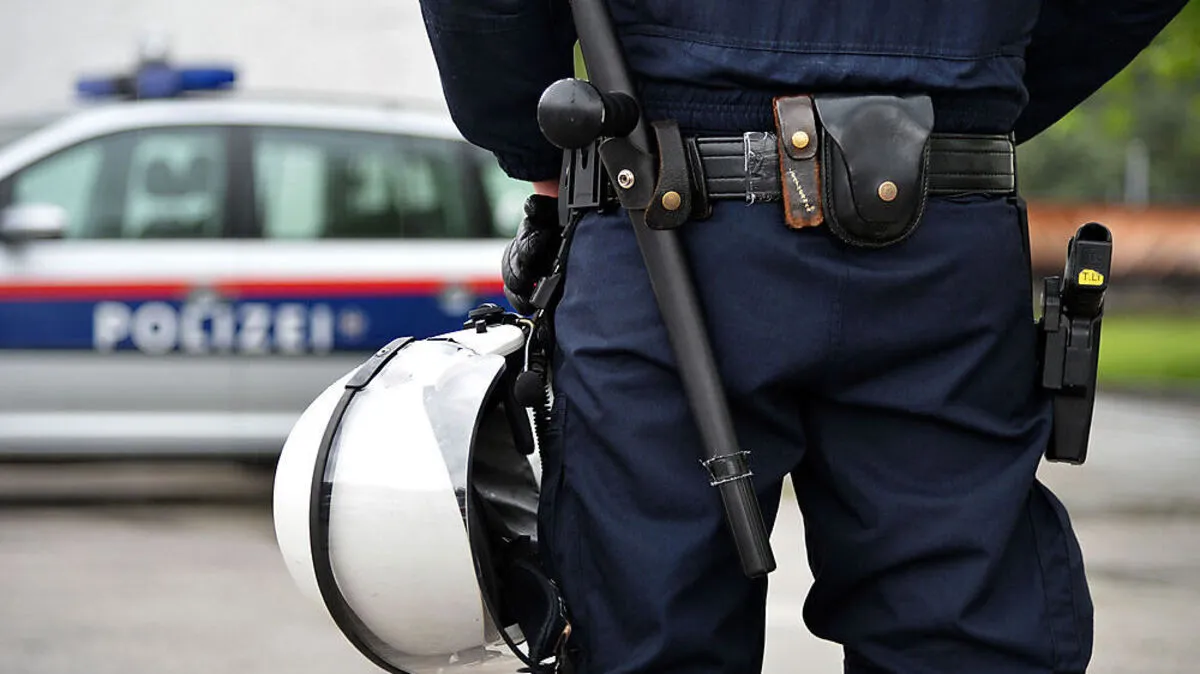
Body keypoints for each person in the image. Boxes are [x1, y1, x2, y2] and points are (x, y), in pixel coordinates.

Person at [416, 1, 1189, 672]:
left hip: (670, 215)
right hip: (922, 231)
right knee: (964, 636)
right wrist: (963, 98)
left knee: (647, 628)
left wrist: (535, 147)